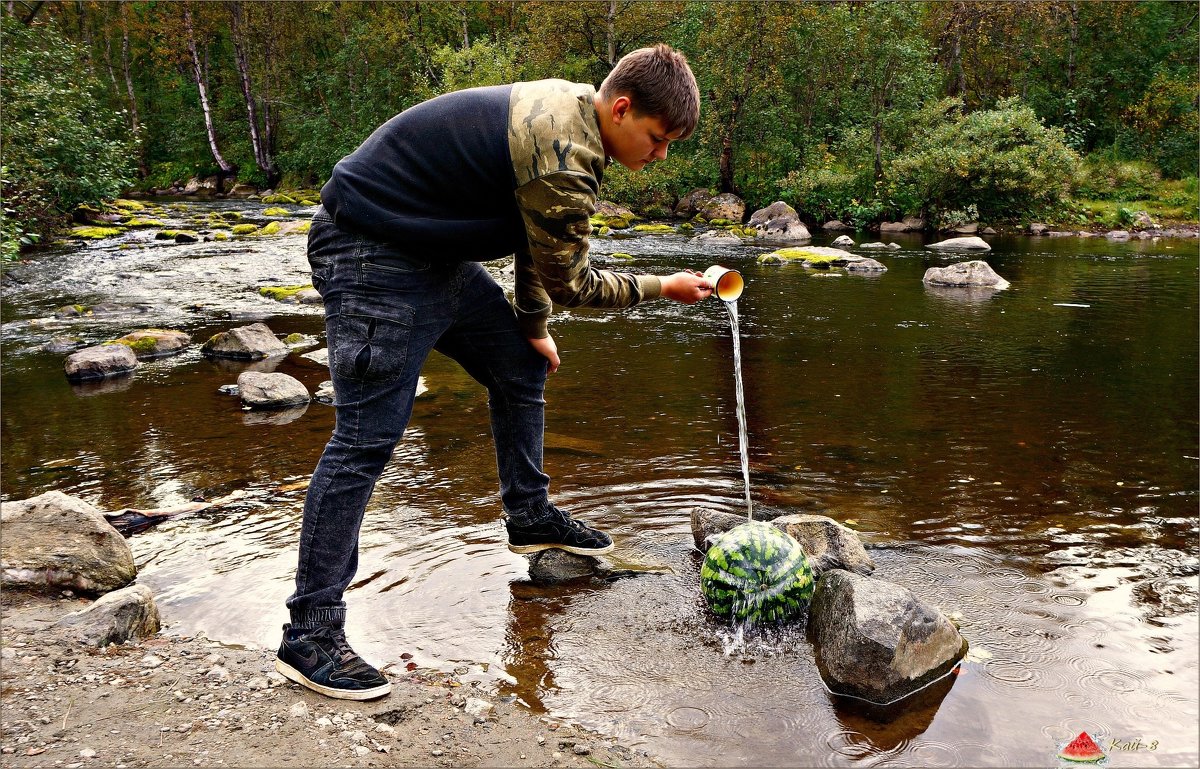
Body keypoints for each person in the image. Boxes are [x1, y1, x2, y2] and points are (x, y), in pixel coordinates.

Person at [276, 44, 710, 701]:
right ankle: (310, 635)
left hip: (428, 251)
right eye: (657, 139)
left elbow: (531, 235)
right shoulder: (568, 152)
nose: (660, 156)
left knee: (517, 360)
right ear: (622, 108)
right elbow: (573, 281)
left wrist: (531, 329)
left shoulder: (576, 115)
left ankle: (529, 513)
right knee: (366, 438)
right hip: (370, 248)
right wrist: (664, 286)